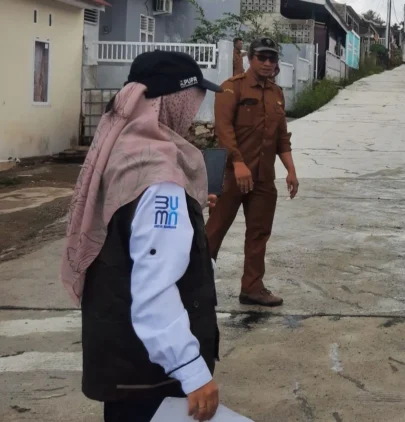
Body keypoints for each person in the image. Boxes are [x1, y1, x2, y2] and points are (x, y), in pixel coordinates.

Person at [60, 51, 224, 422]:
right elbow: (155, 289)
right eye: (193, 101)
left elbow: (132, 227)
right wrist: (193, 371)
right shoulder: (160, 175)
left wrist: (186, 209)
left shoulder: (122, 148)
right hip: (150, 373)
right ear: (174, 101)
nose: (194, 113)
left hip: (121, 358)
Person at [207, 37, 299, 307]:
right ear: (250, 58)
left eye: (272, 58)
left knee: (259, 233)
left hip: (263, 177)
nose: (268, 63)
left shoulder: (276, 94)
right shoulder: (230, 89)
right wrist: (237, 163)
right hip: (230, 175)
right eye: (263, 57)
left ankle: (252, 288)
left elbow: (282, 138)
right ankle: (192, 285)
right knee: (213, 231)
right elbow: (224, 131)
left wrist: (291, 171)